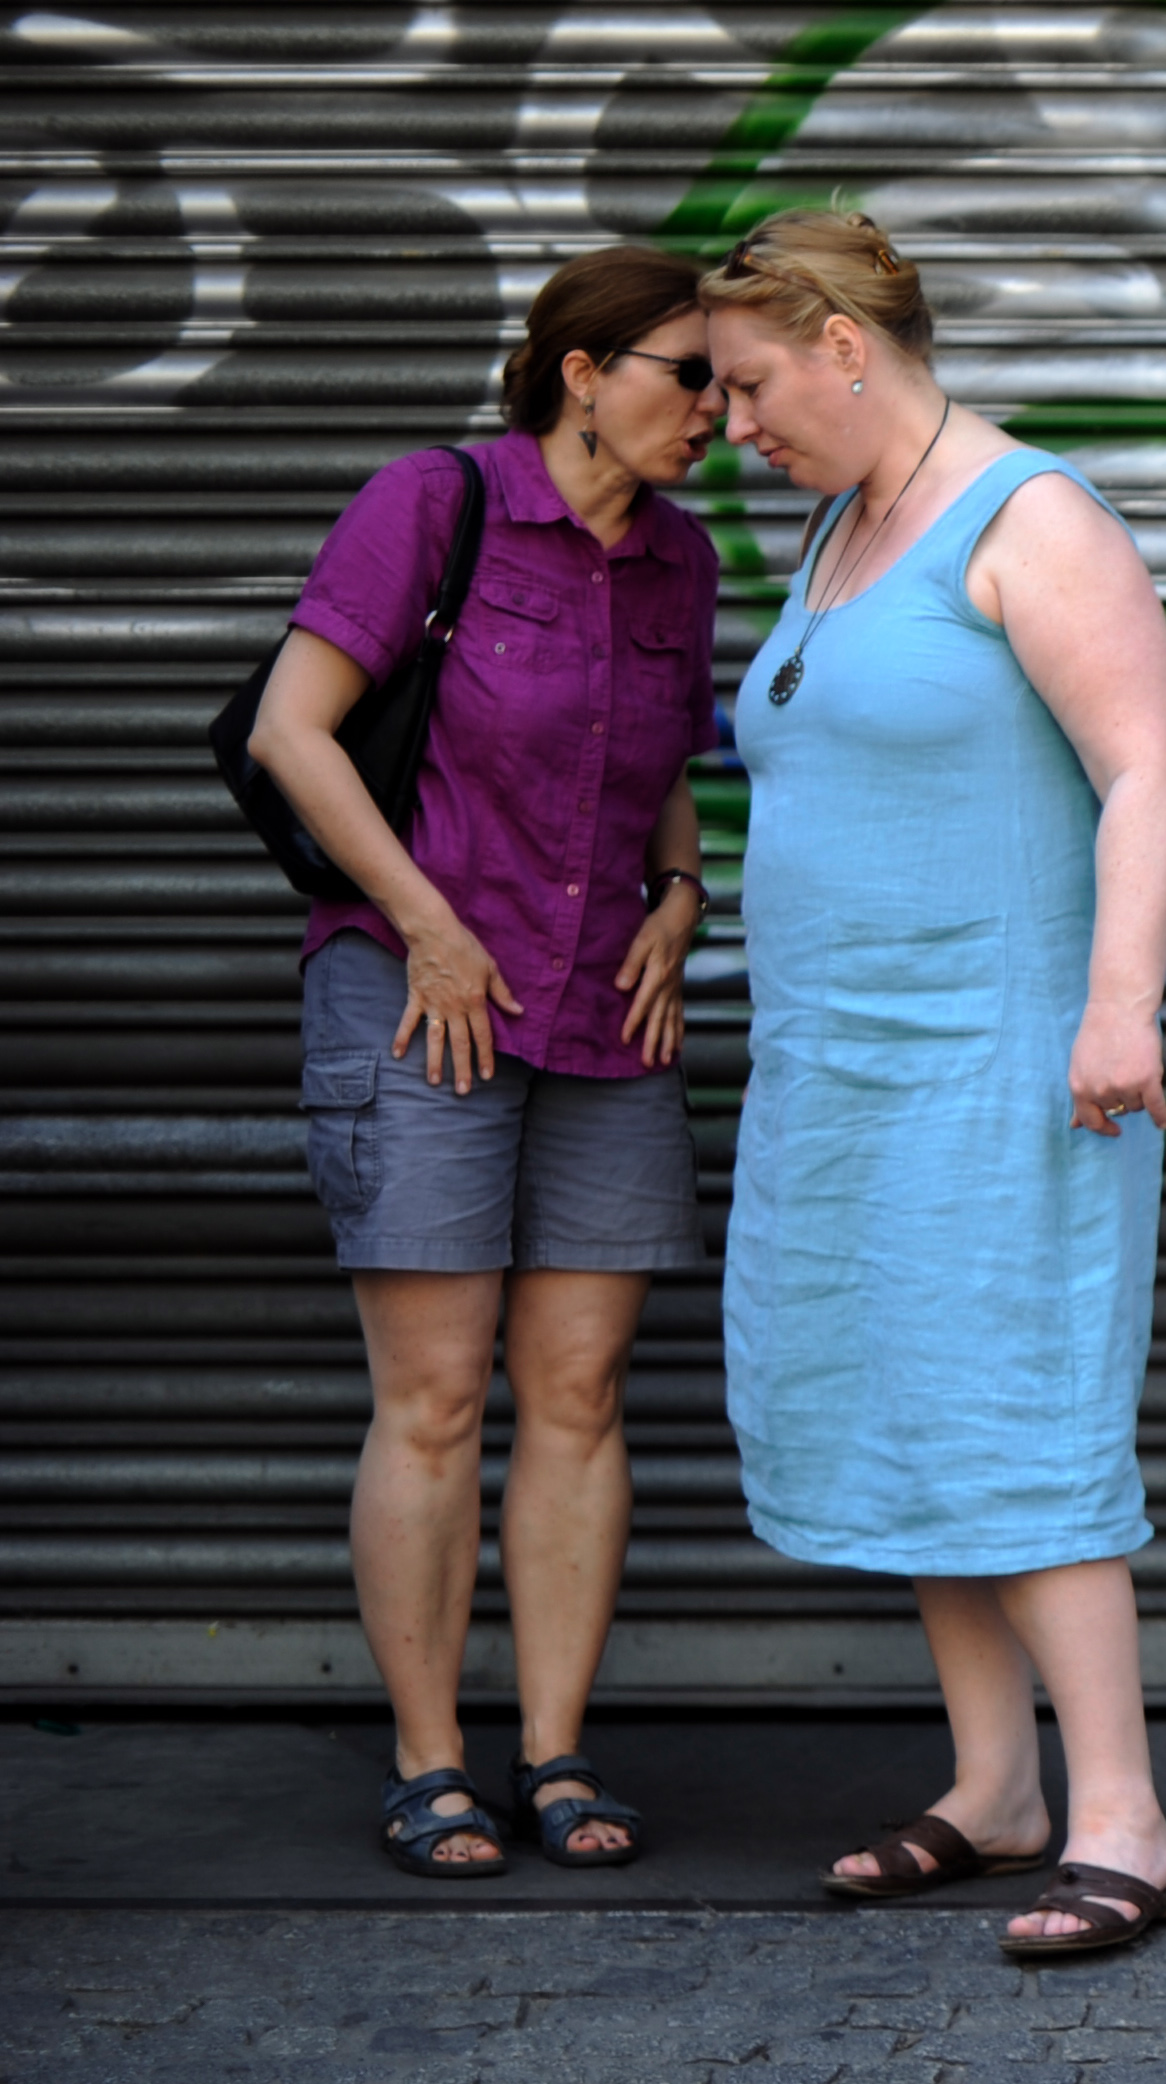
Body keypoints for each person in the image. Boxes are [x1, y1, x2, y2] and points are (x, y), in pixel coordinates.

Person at [700, 209, 1166, 1959]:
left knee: (1016, 1402)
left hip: (1005, 1057)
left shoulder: (1031, 517)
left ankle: (1126, 1816)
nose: (735, 424)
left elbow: (1145, 766)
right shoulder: (845, 526)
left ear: (846, 342)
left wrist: (1117, 1007)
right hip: (841, 1063)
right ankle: (994, 1788)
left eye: (751, 383)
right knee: (917, 1401)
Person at [250, 248, 723, 1878]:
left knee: (581, 1395)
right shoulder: (433, 504)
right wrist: (425, 922)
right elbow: (293, 733)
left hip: (607, 1015)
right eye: (690, 372)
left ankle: (559, 1752)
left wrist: (682, 890)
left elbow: (658, 765)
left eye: (732, 381)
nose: (719, 410)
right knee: (439, 1396)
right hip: (419, 998)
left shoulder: (683, 562)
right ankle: (431, 1760)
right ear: (584, 373)